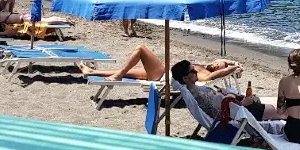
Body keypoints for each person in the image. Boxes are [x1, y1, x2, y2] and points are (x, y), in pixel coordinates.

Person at [171, 60, 282, 122]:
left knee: (276, 103)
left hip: (239, 106)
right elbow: (220, 114)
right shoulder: (198, 97)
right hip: (241, 113)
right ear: (185, 78)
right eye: (192, 71)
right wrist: (241, 102)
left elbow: (219, 104)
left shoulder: (196, 91)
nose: (196, 71)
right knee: (279, 110)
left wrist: (223, 93)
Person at [78, 46, 241, 83]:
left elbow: (214, 76)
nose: (218, 63)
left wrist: (231, 68)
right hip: (163, 73)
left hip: (163, 76)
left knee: (141, 49)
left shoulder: (205, 74)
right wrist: (232, 62)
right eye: (220, 61)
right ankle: (91, 71)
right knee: (128, 71)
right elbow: (218, 67)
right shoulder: (205, 66)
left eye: (221, 64)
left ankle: (118, 75)